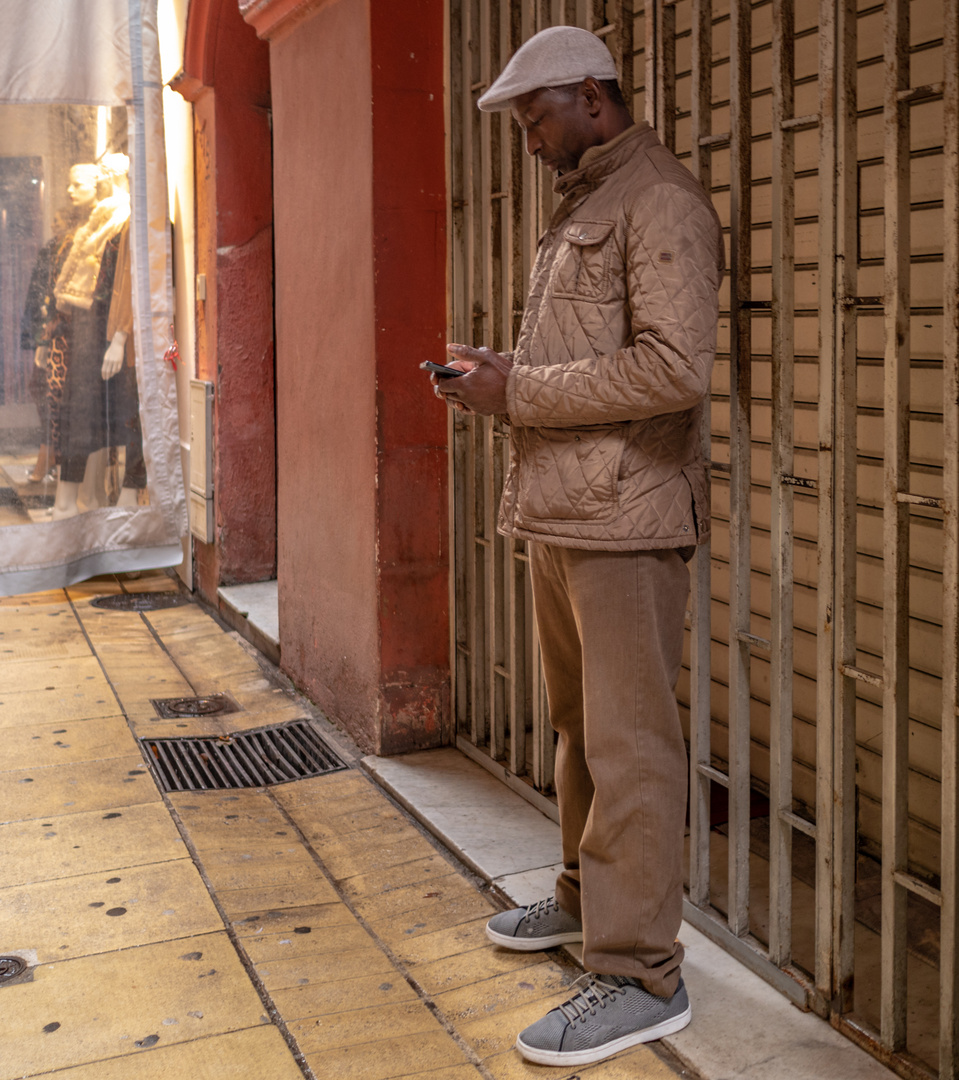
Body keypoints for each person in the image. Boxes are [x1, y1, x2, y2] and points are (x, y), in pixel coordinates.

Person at [428, 26, 723, 1068]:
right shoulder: (586, 205)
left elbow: (676, 368)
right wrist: (503, 372)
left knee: (629, 744)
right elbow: (592, 357)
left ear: (593, 97)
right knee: (577, 728)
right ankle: (579, 901)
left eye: (534, 116)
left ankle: (639, 972)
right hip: (569, 512)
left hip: (628, 519)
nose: (525, 139)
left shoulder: (659, 201)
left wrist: (526, 394)